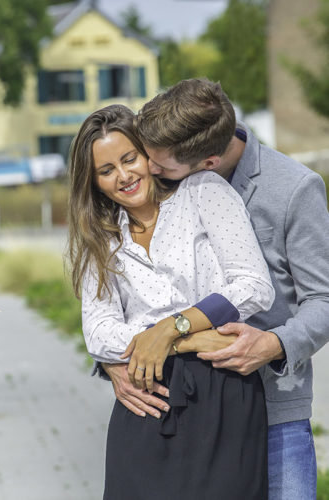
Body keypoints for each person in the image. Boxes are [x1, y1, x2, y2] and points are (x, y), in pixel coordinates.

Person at [102, 78, 329, 499]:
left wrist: (275, 344)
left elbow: (324, 300)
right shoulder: (170, 163)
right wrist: (114, 360)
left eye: (161, 166)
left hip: (275, 407)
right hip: (193, 410)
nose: (148, 171)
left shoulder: (294, 189)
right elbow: (129, 285)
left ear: (207, 162)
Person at [68, 103, 275, 499]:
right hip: (145, 397)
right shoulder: (103, 238)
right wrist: (185, 339)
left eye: (130, 159)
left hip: (223, 392)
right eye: (106, 170)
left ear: (148, 154)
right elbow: (98, 332)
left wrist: (172, 327)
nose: (124, 176)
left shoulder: (203, 192)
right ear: (93, 182)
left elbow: (253, 286)